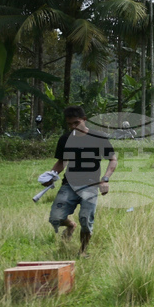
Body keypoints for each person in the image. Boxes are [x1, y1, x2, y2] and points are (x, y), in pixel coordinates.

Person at [45, 106, 117, 257]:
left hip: (90, 186)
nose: (73, 127)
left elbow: (112, 159)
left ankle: (82, 251)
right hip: (69, 185)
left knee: (85, 219)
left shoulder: (98, 137)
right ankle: (71, 225)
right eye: (69, 124)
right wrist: (51, 176)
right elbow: (61, 162)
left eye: (76, 123)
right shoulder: (65, 139)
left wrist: (105, 179)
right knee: (55, 218)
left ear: (84, 120)